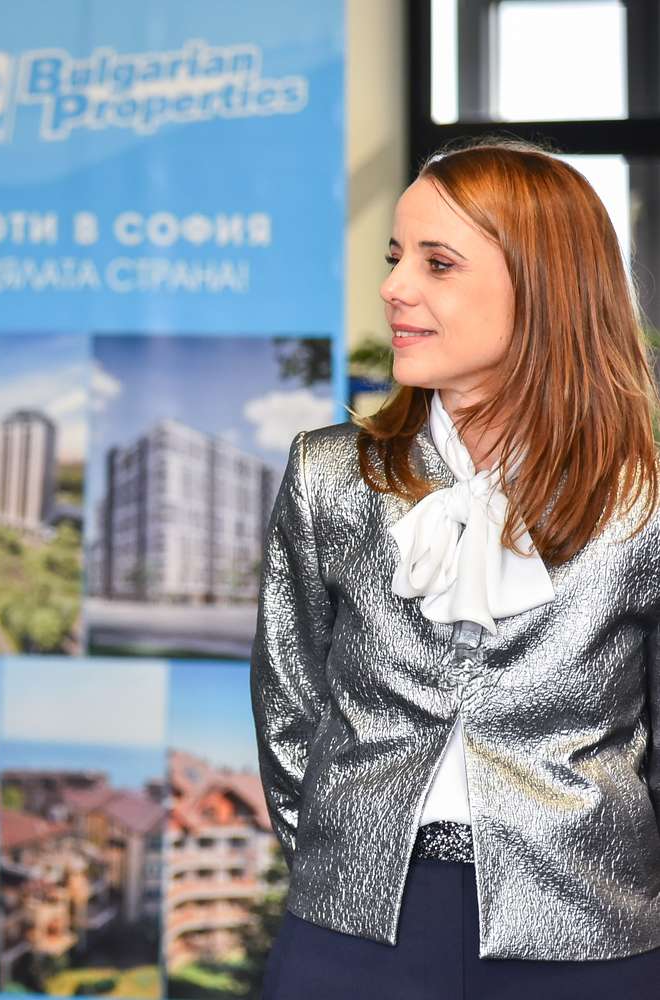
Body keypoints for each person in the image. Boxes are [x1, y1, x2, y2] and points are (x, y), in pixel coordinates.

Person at [252, 138, 660, 999]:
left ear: (545, 289)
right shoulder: (330, 475)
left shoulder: (644, 498)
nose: (395, 288)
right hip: (351, 930)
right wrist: (336, 863)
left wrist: (617, 888)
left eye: (438, 264)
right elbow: (289, 710)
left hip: (589, 926)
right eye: (396, 257)